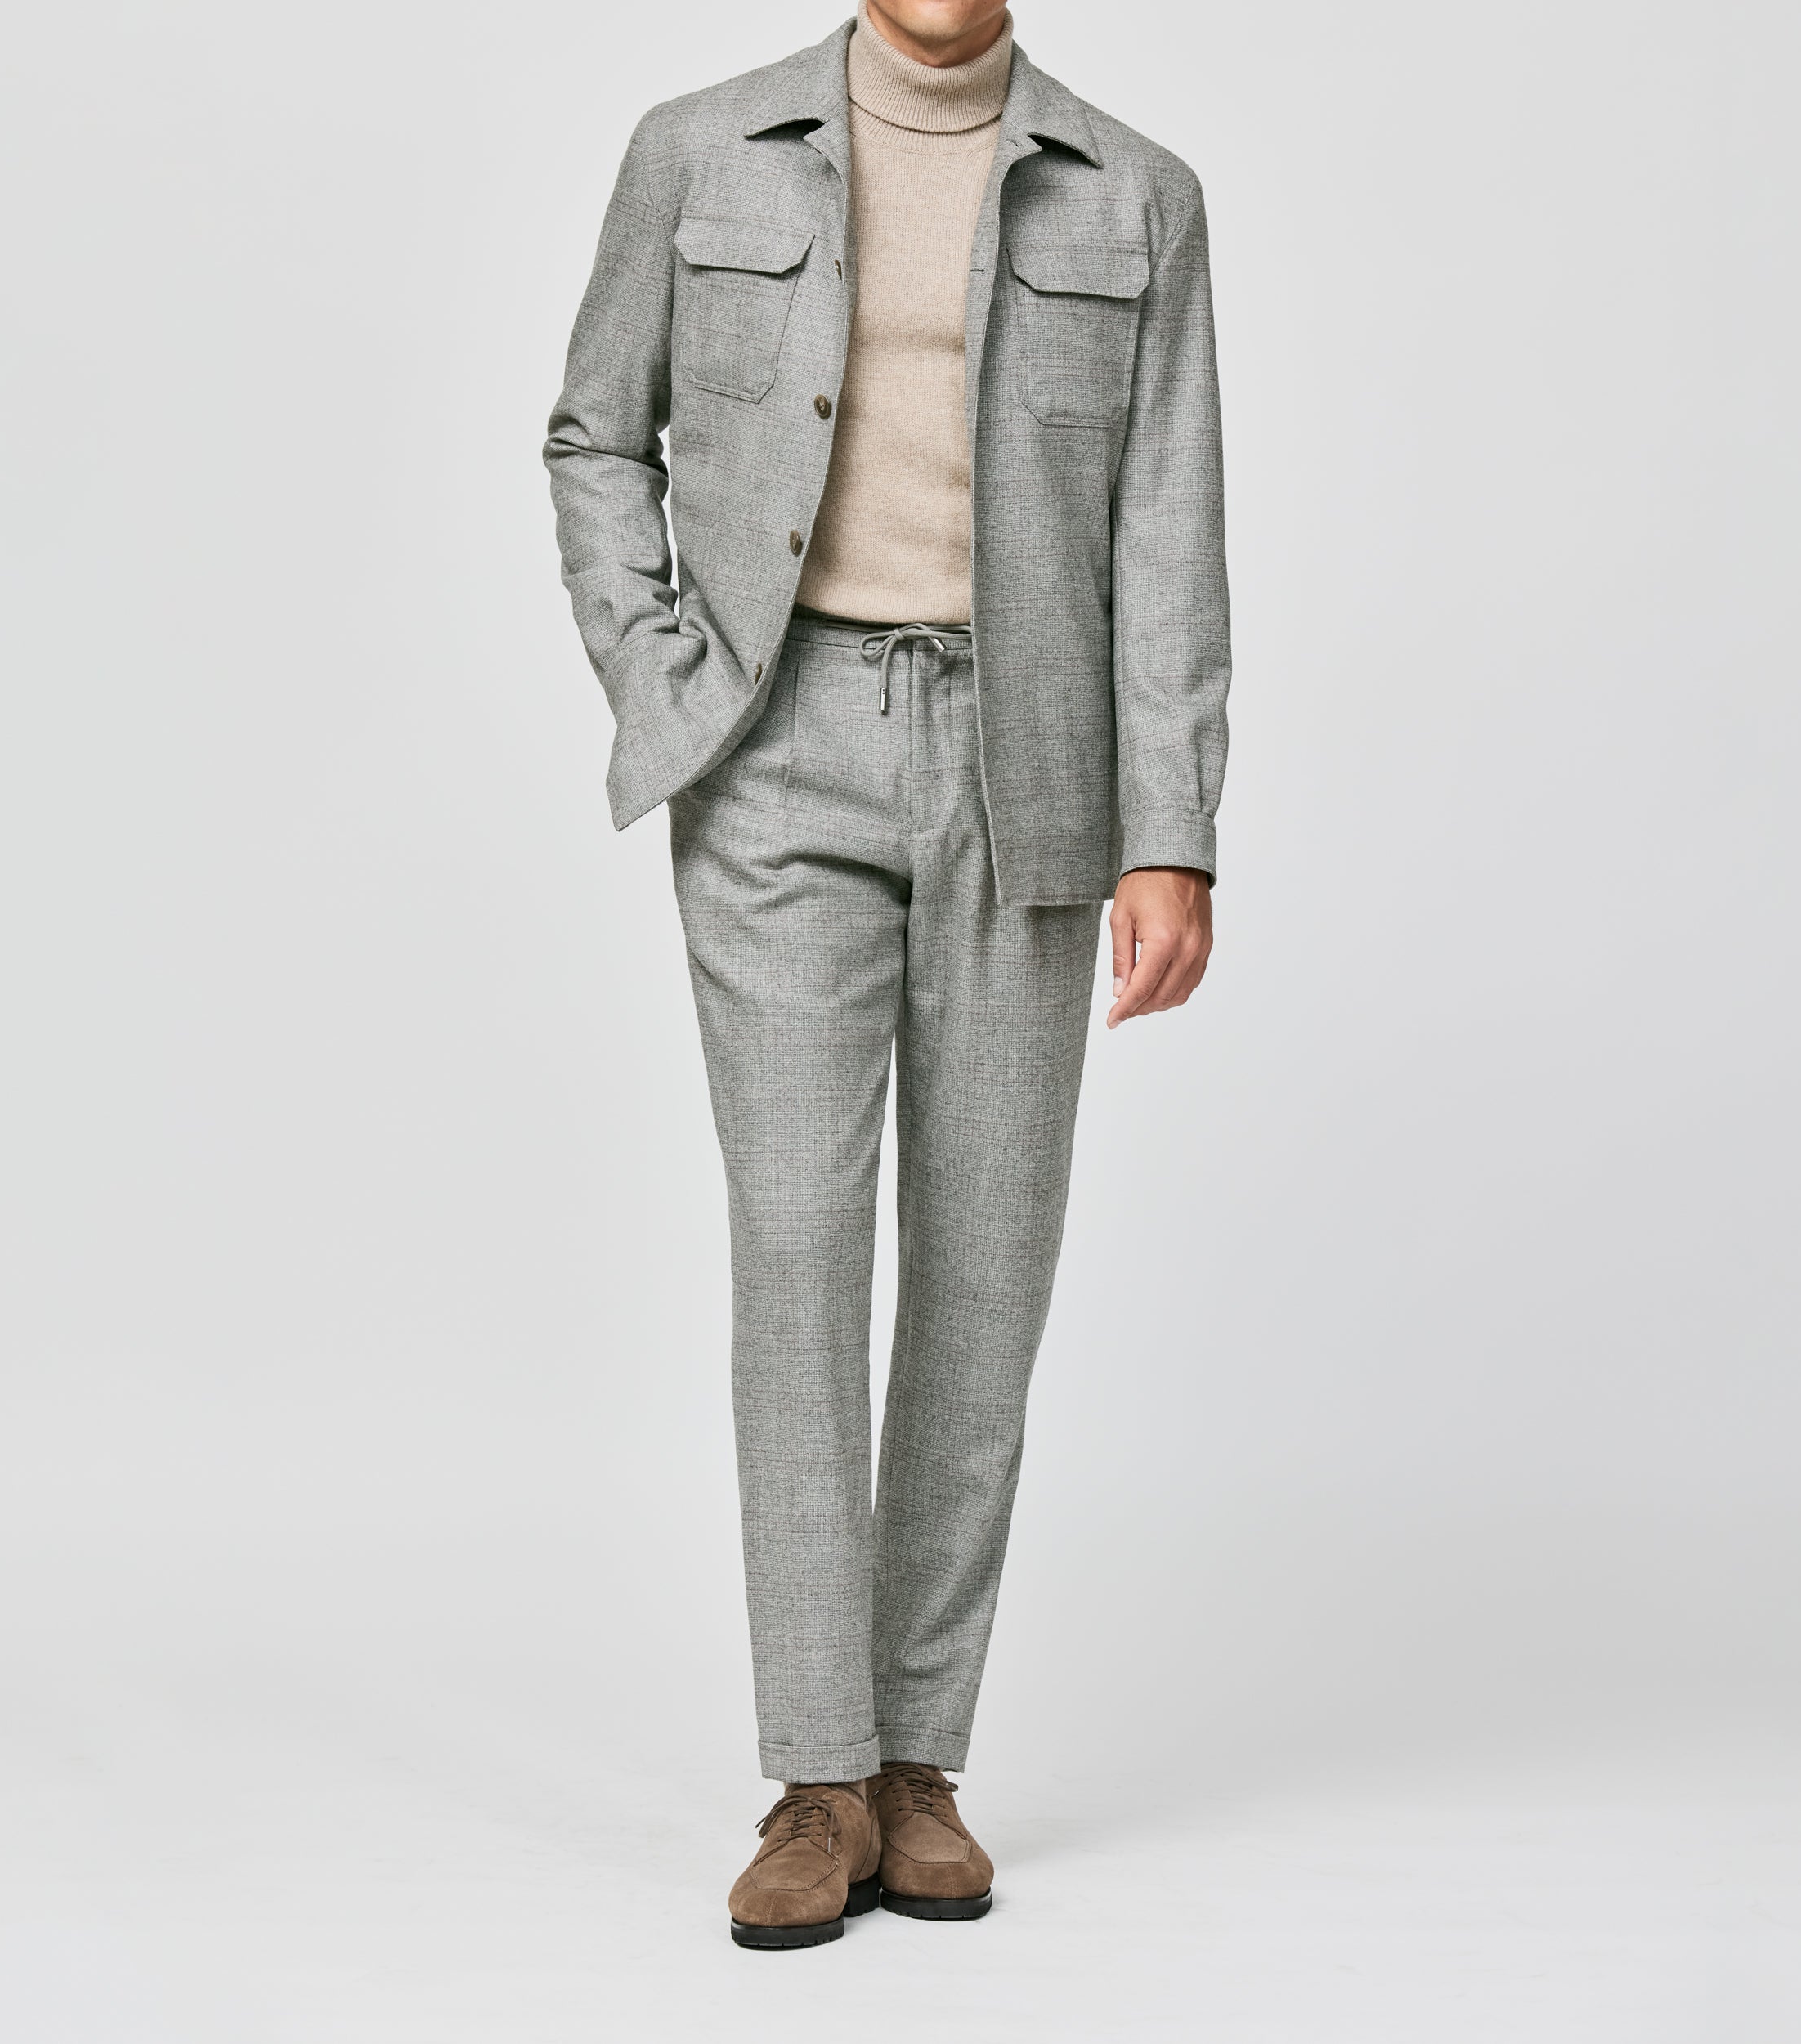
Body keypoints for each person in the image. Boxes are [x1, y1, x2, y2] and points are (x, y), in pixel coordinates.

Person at [544, 0, 1228, 1949]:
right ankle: (815, 1773)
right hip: (773, 752)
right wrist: (659, 670)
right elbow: (594, 431)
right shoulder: (699, 147)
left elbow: (1167, 522)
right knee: (796, 1249)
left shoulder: (1136, 195)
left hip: (1031, 760)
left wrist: (1169, 825)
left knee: (985, 1266)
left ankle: (919, 1763)